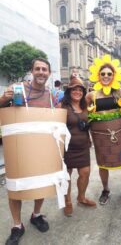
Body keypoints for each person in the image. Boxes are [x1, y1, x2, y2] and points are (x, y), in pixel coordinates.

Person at [0, 58, 53, 245]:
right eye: (37, 69)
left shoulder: (50, 94)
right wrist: (4, 98)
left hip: (42, 148)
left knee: (41, 182)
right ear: (32, 71)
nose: (41, 72)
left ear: (49, 73)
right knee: (16, 186)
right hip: (18, 148)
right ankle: (17, 225)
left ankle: (36, 215)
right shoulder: (17, 88)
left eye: (44, 69)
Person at [86, 54, 121, 206]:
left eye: (109, 74)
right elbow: (83, 112)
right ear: (98, 76)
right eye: (103, 74)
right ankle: (105, 190)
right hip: (100, 137)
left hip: (120, 135)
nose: (106, 76)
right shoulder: (91, 95)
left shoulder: (119, 91)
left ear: (114, 75)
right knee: (103, 164)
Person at [61, 75, 96, 217]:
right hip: (67, 148)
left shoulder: (86, 106)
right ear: (69, 92)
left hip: (83, 147)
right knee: (66, 176)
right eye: (74, 89)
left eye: (80, 90)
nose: (77, 92)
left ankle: (81, 197)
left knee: (85, 173)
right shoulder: (62, 107)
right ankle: (67, 200)